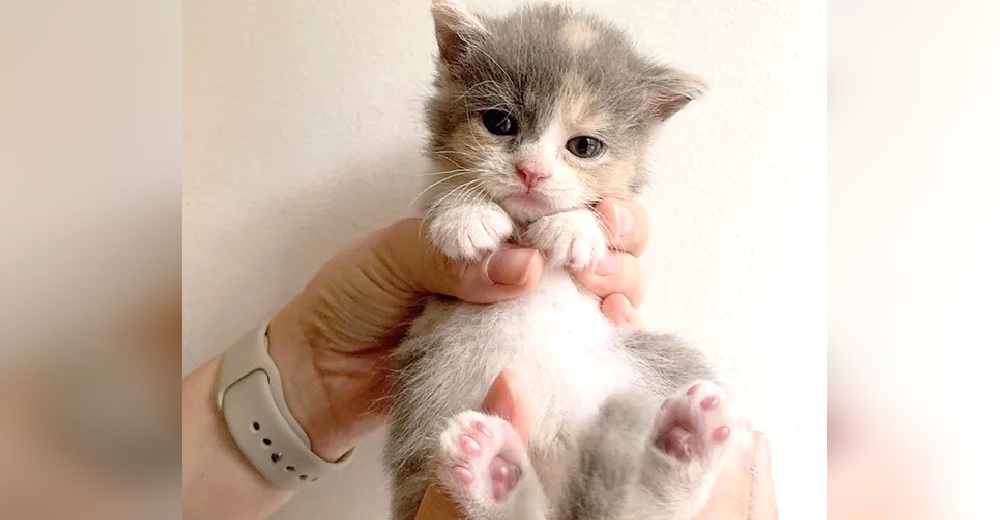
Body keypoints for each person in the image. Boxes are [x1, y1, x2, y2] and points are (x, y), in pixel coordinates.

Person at [181, 199, 778, 519]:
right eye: (499, 122)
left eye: (584, 145)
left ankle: (656, 495)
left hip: (574, 439)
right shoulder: (461, 215)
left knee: (641, 396)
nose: (534, 170)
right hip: (495, 420)